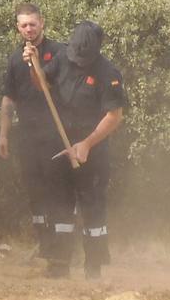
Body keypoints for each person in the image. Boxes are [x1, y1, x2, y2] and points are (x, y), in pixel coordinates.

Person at [35, 21, 126, 280]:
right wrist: (33, 64)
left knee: (92, 207)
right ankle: (59, 263)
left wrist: (86, 144)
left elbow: (114, 115)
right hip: (61, 145)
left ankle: (93, 267)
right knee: (60, 205)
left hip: (92, 149)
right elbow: (42, 83)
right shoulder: (63, 57)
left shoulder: (108, 73)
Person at [0, 4, 67, 264]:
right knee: (35, 191)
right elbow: (8, 99)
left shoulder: (59, 52)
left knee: (57, 190)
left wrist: (36, 63)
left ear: (42, 23)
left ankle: (62, 248)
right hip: (27, 136)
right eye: (24, 25)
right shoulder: (15, 59)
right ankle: (45, 245)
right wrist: (3, 135)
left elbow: (58, 87)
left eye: (33, 24)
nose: (29, 29)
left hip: (56, 133)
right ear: (18, 28)